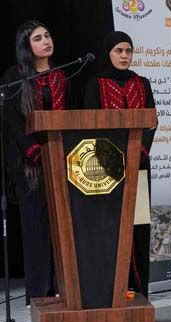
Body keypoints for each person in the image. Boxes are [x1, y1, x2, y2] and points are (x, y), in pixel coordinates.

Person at [1, 20, 70, 303]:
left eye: (47, 35)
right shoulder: (14, 77)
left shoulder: (61, 76)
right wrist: (36, 152)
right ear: (26, 46)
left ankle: (63, 291)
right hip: (30, 165)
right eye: (38, 38)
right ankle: (39, 296)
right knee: (37, 231)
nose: (45, 41)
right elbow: (13, 122)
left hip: (60, 161)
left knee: (61, 230)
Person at [83, 31, 156, 298]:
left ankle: (139, 290)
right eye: (119, 51)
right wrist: (113, 159)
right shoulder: (96, 84)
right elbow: (91, 124)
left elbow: (151, 122)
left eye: (128, 51)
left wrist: (138, 154)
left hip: (139, 166)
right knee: (110, 228)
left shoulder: (142, 83)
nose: (124, 56)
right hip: (106, 168)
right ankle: (111, 290)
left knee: (138, 227)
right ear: (108, 53)